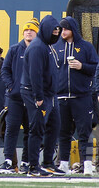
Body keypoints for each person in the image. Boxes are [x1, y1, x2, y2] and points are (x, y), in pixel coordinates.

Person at [52, 17, 98, 174]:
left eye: (66, 29)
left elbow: (96, 68)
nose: (63, 32)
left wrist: (81, 66)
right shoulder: (55, 47)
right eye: (61, 29)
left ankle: (87, 164)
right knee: (63, 133)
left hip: (81, 97)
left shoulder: (86, 47)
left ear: (73, 29)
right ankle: (63, 164)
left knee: (84, 132)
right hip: (61, 97)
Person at [20, 14, 62, 176]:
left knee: (54, 126)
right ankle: (33, 166)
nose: (55, 35)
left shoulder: (47, 46)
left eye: (57, 32)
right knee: (37, 128)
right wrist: (38, 97)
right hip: (37, 94)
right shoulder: (38, 47)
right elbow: (35, 74)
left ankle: (48, 162)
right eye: (53, 32)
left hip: (50, 94)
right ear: (46, 30)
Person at [1, 19, 37, 172]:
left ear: (37, 33)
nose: (28, 32)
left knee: (30, 131)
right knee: (11, 129)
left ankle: (26, 162)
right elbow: (5, 70)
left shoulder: (40, 50)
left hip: (31, 99)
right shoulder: (14, 49)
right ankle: (8, 161)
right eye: (26, 30)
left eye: (32, 30)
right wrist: (12, 87)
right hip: (15, 98)